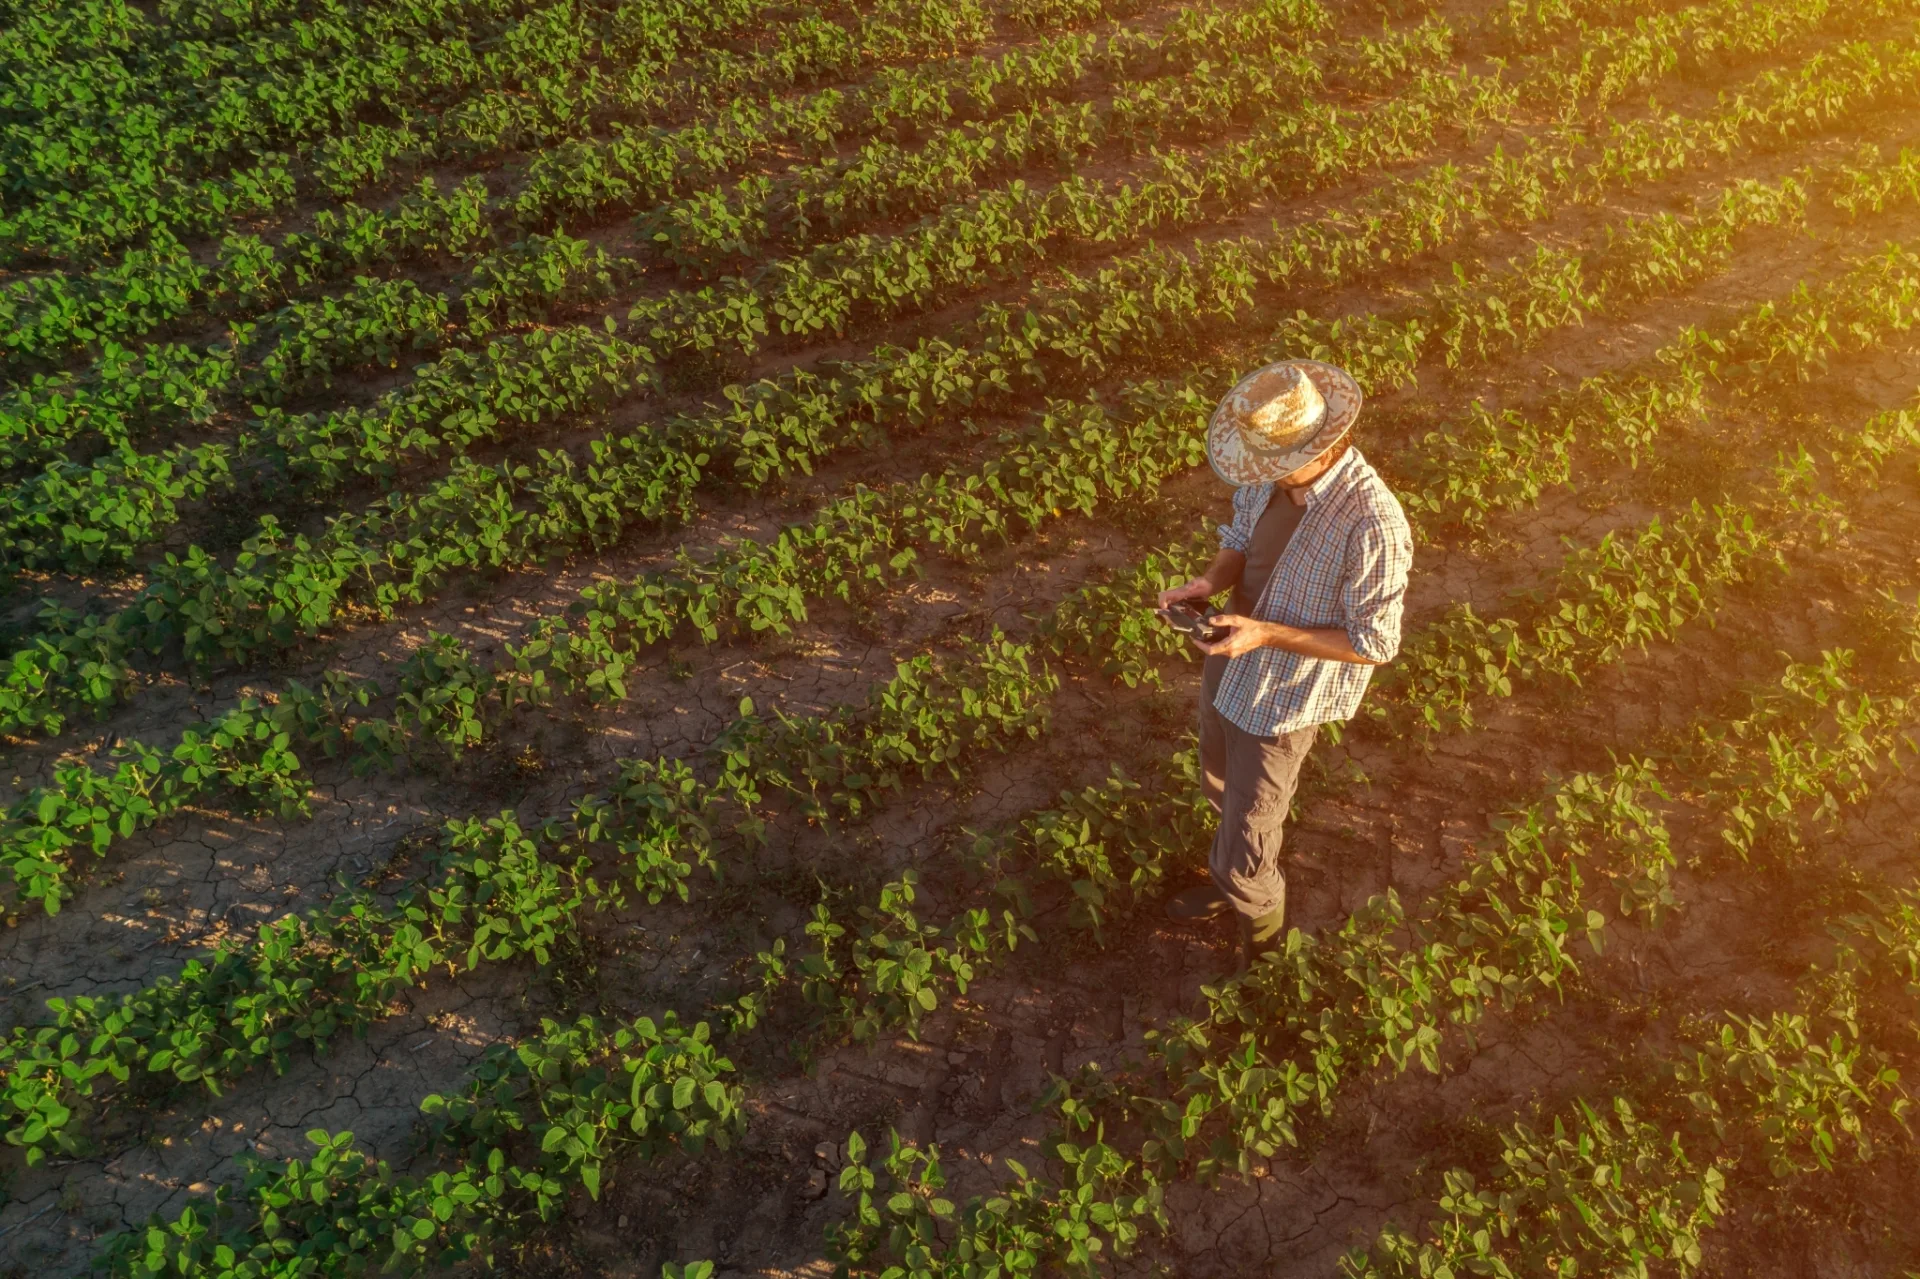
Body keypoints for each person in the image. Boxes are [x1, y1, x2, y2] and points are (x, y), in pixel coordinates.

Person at [1156, 358, 1413, 970]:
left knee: (1250, 830)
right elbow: (1240, 541)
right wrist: (1207, 583)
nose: (1263, 475)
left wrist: (1265, 634)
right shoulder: (1268, 476)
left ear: (1325, 447)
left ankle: (1265, 945)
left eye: (1276, 464)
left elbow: (1374, 643)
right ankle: (1230, 886)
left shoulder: (1373, 523)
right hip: (1232, 660)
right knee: (1216, 779)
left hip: (1285, 694)